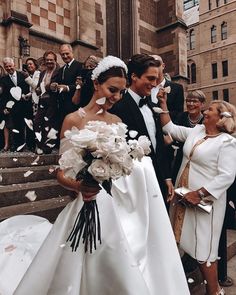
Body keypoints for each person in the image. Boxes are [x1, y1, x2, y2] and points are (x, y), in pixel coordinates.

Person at [0, 56, 190, 295]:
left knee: (114, 259)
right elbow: (61, 173)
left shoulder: (117, 121)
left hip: (115, 203)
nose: (116, 97)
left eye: (121, 92)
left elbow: (123, 166)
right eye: (112, 90)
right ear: (96, 83)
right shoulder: (73, 120)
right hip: (86, 200)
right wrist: (81, 186)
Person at [158, 90, 236, 295]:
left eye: (210, 109)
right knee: (182, 239)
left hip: (205, 203)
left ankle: (215, 290)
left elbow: (227, 176)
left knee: (204, 249)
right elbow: (170, 128)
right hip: (182, 197)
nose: (206, 111)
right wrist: (163, 103)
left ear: (221, 118)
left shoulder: (227, 142)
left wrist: (199, 193)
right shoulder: (197, 131)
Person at [110, 53, 174, 201]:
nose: (154, 84)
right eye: (150, 78)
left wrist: (167, 177)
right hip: (131, 182)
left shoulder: (153, 107)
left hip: (156, 177)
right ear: (134, 76)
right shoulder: (117, 107)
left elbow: (159, 145)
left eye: (156, 79)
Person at [172, 90, 206, 183]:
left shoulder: (205, 120)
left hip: (199, 160)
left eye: (194, 101)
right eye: (188, 101)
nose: (190, 104)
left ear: (202, 104)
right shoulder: (181, 116)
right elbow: (173, 133)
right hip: (180, 157)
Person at [1, 57, 31, 152]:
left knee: (25, 125)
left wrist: (27, 96)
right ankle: (16, 146)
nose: (9, 68)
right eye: (6, 67)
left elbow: (29, 88)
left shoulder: (22, 75)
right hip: (12, 107)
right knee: (15, 126)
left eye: (10, 66)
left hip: (24, 105)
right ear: (5, 68)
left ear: (14, 65)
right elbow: (4, 96)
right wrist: (4, 107)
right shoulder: (3, 79)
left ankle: (28, 145)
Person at [34, 50, 60, 154]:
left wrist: (48, 87)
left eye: (51, 60)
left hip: (53, 101)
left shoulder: (59, 71)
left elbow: (57, 85)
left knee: (48, 123)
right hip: (42, 100)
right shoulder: (42, 72)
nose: (49, 62)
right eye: (47, 60)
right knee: (37, 122)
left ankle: (47, 147)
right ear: (44, 61)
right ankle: (39, 146)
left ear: (55, 61)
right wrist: (37, 89)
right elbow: (38, 87)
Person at [50, 44, 83, 126]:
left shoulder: (80, 66)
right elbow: (58, 85)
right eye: (62, 54)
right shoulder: (61, 69)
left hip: (74, 106)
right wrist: (54, 85)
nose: (65, 56)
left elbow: (82, 85)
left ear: (72, 52)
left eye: (67, 53)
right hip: (61, 108)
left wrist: (67, 88)